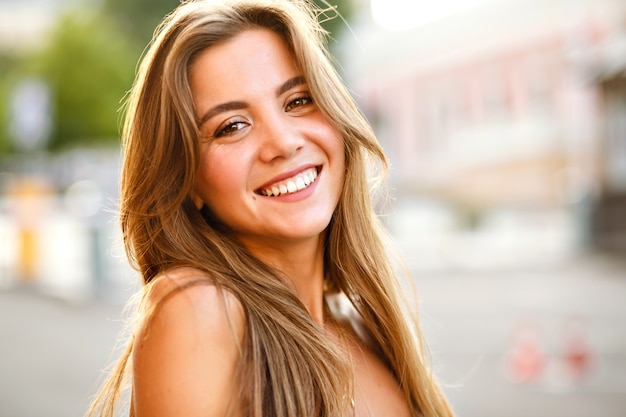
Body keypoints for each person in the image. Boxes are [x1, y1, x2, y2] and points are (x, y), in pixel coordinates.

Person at [87, 0, 454, 416]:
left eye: (298, 100)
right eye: (232, 127)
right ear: (187, 181)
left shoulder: (358, 325)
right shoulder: (199, 307)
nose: (283, 142)